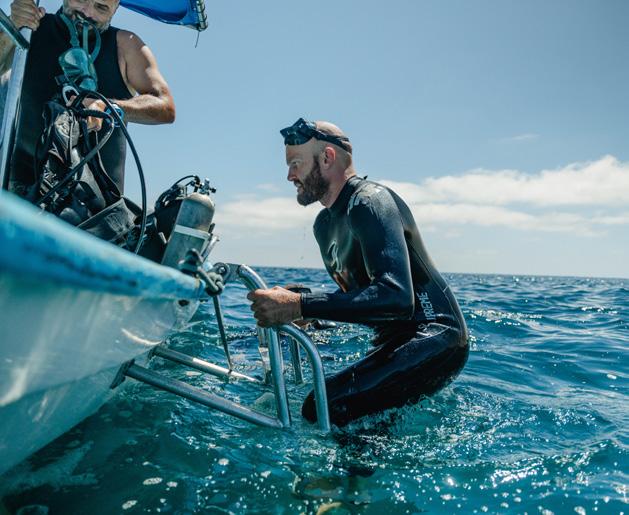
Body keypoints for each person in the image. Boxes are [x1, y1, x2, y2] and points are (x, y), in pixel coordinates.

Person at [247, 118, 469, 427]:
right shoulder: (324, 225)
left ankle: (356, 461)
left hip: (436, 338)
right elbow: (362, 296)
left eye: (296, 164)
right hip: (390, 341)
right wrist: (306, 303)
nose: (289, 175)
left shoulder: (370, 201)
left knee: (322, 406)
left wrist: (300, 305)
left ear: (327, 158)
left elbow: (396, 298)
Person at [0, 0, 175, 195]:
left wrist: (109, 107)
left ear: (115, 9)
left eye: (101, 7)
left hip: (95, 203)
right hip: (19, 189)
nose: (87, 12)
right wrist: (11, 26)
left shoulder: (126, 45)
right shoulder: (31, 28)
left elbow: (165, 106)